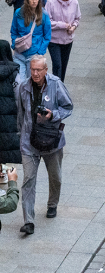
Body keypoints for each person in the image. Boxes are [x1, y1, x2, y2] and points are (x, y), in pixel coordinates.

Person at [15, 54, 71, 235]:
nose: (35, 73)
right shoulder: (24, 86)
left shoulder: (55, 84)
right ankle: (28, 221)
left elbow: (68, 107)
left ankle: (52, 204)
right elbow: (21, 114)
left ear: (46, 70)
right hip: (29, 141)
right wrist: (21, 134)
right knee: (28, 180)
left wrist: (52, 115)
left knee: (55, 176)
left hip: (51, 140)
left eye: (39, 69)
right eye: (32, 69)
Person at [11, 0, 52, 85]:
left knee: (32, 83)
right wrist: (14, 44)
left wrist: (40, 52)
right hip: (19, 54)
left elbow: (47, 36)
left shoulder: (44, 15)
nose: (34, 1)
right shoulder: (18, 13)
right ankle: (21, 100)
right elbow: (13, 31)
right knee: (19, 83)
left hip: (34, 55)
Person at [42, 0, 79, 82]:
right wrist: (62, 25)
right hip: (54, 40)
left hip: (68, 40)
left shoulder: (74, 2)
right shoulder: (51, 2)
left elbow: (77, 18)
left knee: (63, 65)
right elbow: (47, 21)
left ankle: (60, 86)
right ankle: (55, 87)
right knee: (57, 65)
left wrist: (73, 27)